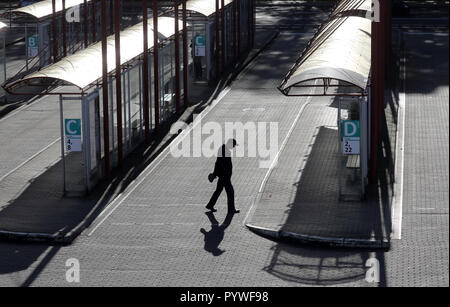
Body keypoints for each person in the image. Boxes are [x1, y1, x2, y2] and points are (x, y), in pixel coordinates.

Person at [206, 139, 240, 214]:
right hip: (225, 177)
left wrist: (215, 174)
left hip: (223, 176)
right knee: (230, 192)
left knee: (218, 191)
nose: (234, 147)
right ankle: (231, 209)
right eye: (233, 145)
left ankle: (210, 205)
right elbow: (219, 163)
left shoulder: (223, 149)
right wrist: (217, 174)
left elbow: (217, 163)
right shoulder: (225, 151)